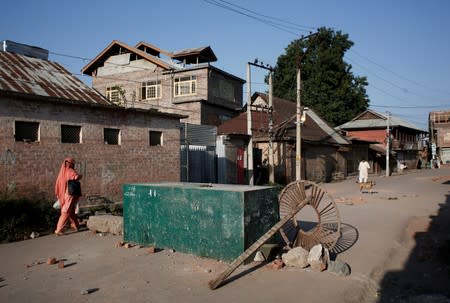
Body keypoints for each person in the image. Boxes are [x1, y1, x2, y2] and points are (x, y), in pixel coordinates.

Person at [54, 157, 82, 236]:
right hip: (69, 195)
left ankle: (76, 225)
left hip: (62, 195)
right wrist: (80, 176)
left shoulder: (61, 173)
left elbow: (57, 185)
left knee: (71, 211)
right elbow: (76, 177)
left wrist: (58, 194)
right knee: (66, 212)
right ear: (71, 164)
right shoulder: (70, 171)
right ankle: (58, 230)